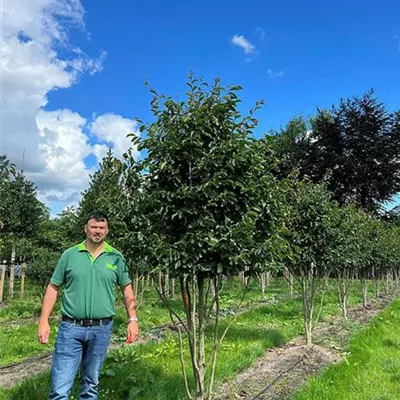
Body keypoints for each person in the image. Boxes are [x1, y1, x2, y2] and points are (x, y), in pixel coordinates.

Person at [38, 211, 139, 400]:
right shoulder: (70, 255)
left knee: (91, 385)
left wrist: (133, 320)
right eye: (94, 227)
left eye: (102, 228)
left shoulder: (116, 257)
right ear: (86, 229)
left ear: (107, 231)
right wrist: (43, 320)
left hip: (101, 329)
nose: (97, 231)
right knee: (60, 388)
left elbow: (127, 289)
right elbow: (53, 287)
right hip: (70, 328)